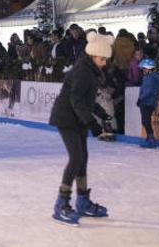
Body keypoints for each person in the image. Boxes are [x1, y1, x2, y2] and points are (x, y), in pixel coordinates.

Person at [48, 31, 113, 226]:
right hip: (67, 118)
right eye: (102, 58)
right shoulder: (82, 71)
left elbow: (87, 99)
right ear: (93, 55)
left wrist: (101, 114)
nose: (105, 62)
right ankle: (61, 203)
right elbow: (75, 99)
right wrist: (92, 123)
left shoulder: (91, 70)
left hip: (78, 119)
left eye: (106, 59)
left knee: (82, 158)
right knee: (76, 158)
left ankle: (82, 201)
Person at [136, 58, 159, 148]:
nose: (143, 71)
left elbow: (149, 90)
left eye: (144, 69)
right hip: (150, 102)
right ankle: (149, 138)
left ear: (149, 68)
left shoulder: (150, 78)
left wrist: (140, 99)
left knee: (145, 121)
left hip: (146, 102)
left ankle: (151, 139)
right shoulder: (151, 77)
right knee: (146, 121)